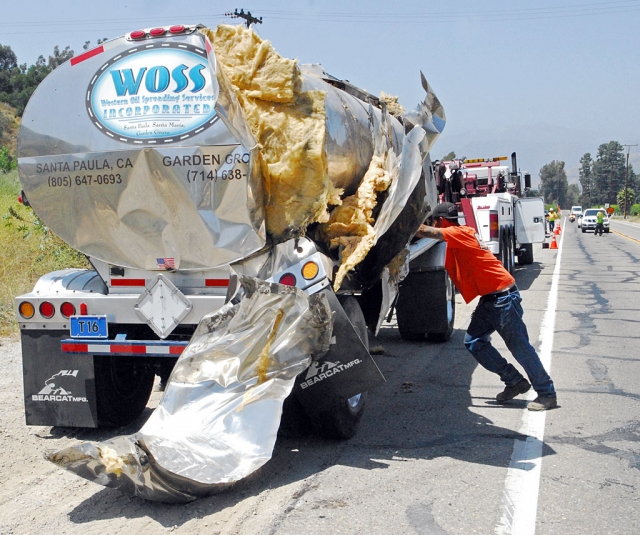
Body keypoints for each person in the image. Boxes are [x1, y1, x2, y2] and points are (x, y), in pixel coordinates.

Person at [416, 202, 558, 411]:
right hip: (491, 298)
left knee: (519, 347)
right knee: (474, 341)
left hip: (503, 297)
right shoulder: (460, 233)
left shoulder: (459, 232)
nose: (434, 224)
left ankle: (547, 393)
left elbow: (426, 232)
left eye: (435, 221)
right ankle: (514, 381)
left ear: (442, 221)